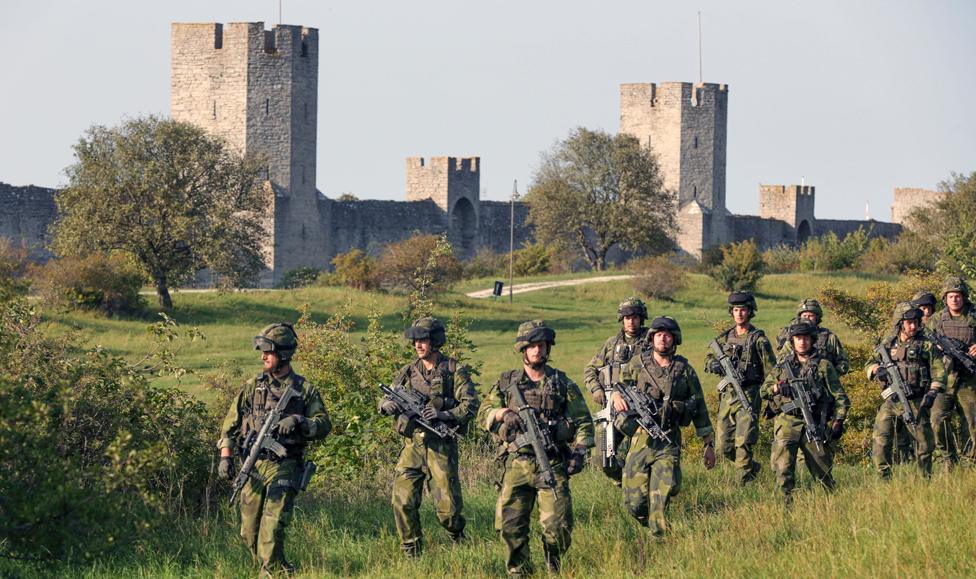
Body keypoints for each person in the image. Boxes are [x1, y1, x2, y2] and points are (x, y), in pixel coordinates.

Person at [479, 320, 594, 576]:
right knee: (510, 527)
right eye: (532, 346)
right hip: (516, 463)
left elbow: (584, 422)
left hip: (551, 462)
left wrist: (580, 451)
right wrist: (502, 413)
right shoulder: (508, 382)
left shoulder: (562, 383)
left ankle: (553, 563)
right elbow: (482, 414)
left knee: (559, 527)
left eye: (542, 345)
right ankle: (520, 572)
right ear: (523, 349)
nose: (537, 351)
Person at [217, 323, 332, 577]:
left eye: (268, 352)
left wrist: (300, 422)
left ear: (284, 354)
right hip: (255, 465)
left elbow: (324, 425)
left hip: (286, 465)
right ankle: (282, 569)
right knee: (249, 533)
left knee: (271, 530)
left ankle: (271, 573)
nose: (263, 357)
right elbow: (230, 426)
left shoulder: (304, 390)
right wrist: (226, 457)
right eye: (262, 351)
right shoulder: (252, 386)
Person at [377, 316, 480, 557]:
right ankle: (411, 550)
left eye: (423, 340)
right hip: (412, 446)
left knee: (449, 511)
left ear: (435, 341)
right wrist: (386, 405)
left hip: (440, 447)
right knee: (402, 502)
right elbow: (387, 396)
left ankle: (457, 536)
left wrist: (443, 413)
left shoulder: (454, 370)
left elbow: (471, 405)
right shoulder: (407, 371)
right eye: (415, 341)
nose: (418, 345)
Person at [613, 316, 716, 535]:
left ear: (674, 339)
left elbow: (699, 406)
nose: (663, 339)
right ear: (652, 338)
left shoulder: (684, 370)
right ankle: (648, 522)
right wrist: (615, 397)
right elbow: (619, 386)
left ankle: (660, 540)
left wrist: (709, 444)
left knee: (660, 498)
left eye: (667, 335)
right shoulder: (637, 364)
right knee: (634, 503)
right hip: (640, 439)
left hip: (668, 440)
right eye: (659, 335)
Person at [762, 320, 849, 503]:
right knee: (783, 470)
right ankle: (784, 509)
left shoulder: (824, 365)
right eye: (798, 338)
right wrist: (778, 388)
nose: (802, 342)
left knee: (823, 472)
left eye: (806, 338)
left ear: (812, 340)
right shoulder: (782, 366)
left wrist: (838, 421)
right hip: (787, 422)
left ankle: (832, 507)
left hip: (815, 422)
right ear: (792, 341)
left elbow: (840, 396)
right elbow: (764, 390)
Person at [703, 291, 775, 484]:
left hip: (749, 396)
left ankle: (742, 486)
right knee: (723, 447)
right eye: (736, 310)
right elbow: (708, 358)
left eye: (743, 310)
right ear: (731, 312)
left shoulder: (759, 340)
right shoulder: (725, 338)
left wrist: (772, 401)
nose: (740, 314)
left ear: (750, 312)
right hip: (727, 396)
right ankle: (751, 468)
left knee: (743, 443)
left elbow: (772, 373)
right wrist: (713, 364)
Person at [866, 303, 945, 478]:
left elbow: (939, 372)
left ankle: (924, 479)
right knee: (881, 440)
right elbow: (869, 363)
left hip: (915, 401)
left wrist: (933, 392)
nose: (913, 326)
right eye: (909, 322)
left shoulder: (925, 345)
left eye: (916, 322)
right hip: (891, 401)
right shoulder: (887, 343)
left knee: (924, 444)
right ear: (900, 323)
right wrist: (875, 369)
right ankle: (883, 479)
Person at [583, 297, 649, 481]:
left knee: (640, 458)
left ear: (641, 318)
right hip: (611, 410)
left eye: (635, 317)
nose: (631, 321)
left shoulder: (651, 341)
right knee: (603, 458)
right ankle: (623, 483)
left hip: (641, 411)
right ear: (622, 319)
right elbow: (590, 369)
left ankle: (638, 487)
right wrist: (596, 389)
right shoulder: (611, 344)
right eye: (627, 317)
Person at [928, 277, 976, 466]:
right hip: (944, 379)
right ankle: (949, 458)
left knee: (972, 423)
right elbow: (922, 341)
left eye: (957, 295)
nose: (954, 299)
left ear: (964, 297)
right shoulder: (937, 319)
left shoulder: (974, 316)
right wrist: (935, 348)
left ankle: (971, 462)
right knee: (937, 420)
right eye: (950, 296)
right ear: (945, 298)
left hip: (969, 379)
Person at [775, 299, 850, 375]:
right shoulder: (792, 337)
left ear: (817, 318)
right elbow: (779, 362)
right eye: (804, 316)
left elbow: (843, 363)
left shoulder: (830, 338)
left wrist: (831, 375)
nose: (807, 318)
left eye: (810, 316)